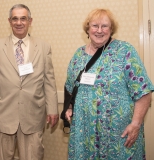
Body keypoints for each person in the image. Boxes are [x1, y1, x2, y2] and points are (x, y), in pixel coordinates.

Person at [64, 8, 154, 160]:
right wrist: (70, 108)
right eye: (95, 26)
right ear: (88, 28)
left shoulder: (125, 52)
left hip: (118, 135)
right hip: (84, 134)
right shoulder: (78, 55)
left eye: (104, 26)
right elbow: (70, 87)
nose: (99, 30)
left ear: (111, 29)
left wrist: (136, 124)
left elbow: (144, 91)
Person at [0, 4, 59, 160]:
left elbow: (49, 80)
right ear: (9, 21)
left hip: (33, 115)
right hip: (3, 114)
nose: (19, 22)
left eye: (23, 18)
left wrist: (53, 109)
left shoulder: (44, 47)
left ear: (30, 21)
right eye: (15, 19)